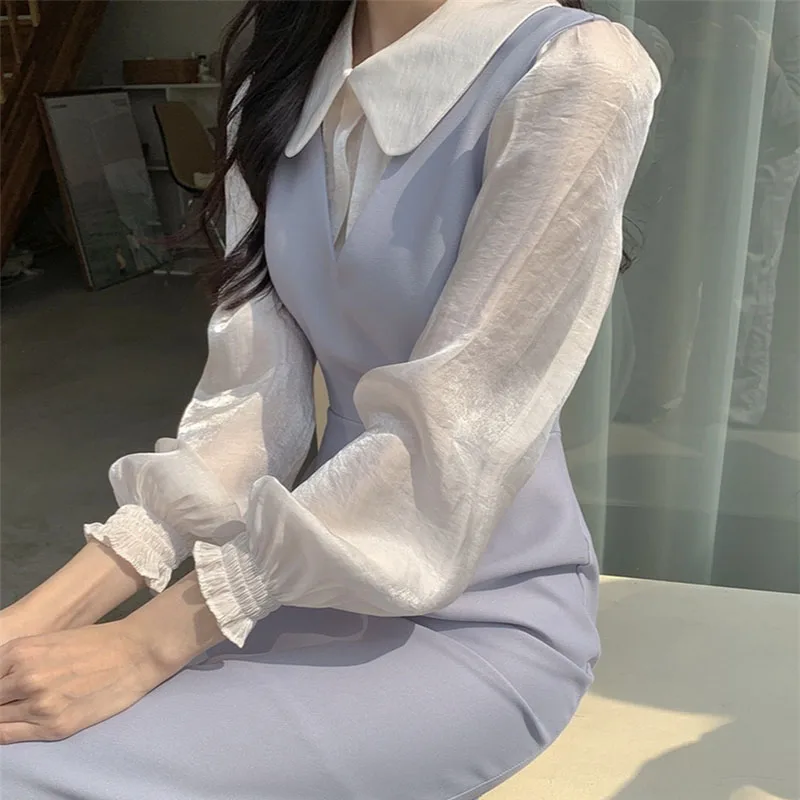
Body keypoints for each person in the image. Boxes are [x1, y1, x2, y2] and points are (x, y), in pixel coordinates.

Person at [0, 1, 658, 797]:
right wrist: (42, 614)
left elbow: (455, 431)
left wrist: (146, 643)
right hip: (301, 580)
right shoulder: (280, 83)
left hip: (479, 617)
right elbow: (250, 407)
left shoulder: (578, 73)